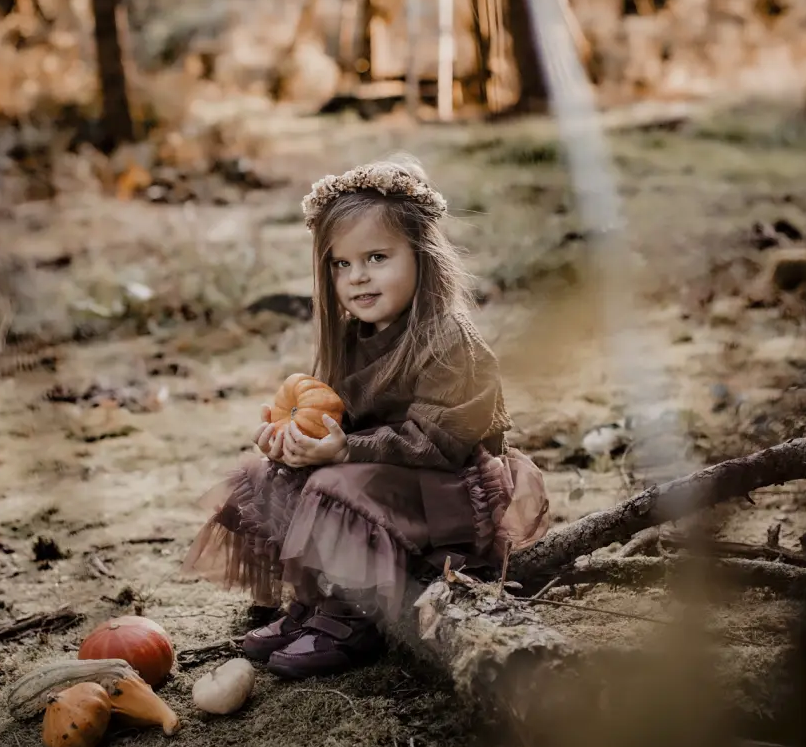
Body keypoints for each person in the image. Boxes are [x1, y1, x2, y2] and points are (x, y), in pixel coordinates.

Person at [181, 154, 551, 680]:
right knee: (269, 476)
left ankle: (354, 615)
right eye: (342, 264)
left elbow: (438, 444)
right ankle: (313, 601)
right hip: (378, 477)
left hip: (445, 491)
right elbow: (338, 421)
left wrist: (343, 451)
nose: (357, 278)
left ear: (422, 256)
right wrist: (295, 441)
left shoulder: (449, 341)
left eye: (377, 257)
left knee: (335, 486)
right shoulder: (353, 340)